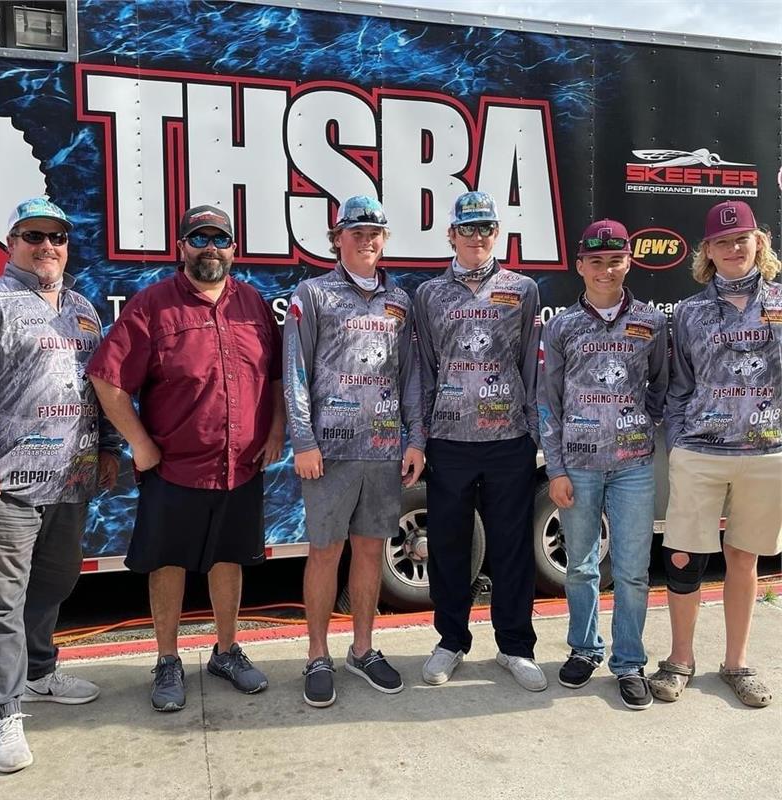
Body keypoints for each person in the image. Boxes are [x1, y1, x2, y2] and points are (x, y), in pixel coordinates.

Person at [88, 205, 285, 712]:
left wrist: (276, 431)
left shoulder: (255, 306)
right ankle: (168, 659)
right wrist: (140, 443)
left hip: (239, 466)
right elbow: (107, 379)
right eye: (199, 238)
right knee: (169, 563)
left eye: (220, 238)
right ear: (182, 248)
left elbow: (281, 376)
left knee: (229, 559)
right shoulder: (153, 305)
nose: (210, 248)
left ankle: (225, 651)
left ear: (233, 249)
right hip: (175, 467)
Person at [0, 197, 121, 773]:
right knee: (1, 602)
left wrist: (110, 448)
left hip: (71, 480)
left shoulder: (83, 308)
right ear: (13, 241)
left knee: (59, 580)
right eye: (34, 236)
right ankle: (1, 712)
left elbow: (99, 386)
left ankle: (39, 672)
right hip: (7, 484)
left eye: (57, 238)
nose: (48, 247)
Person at [283, 195, 425, 708]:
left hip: (384, 450)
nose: (367, 239)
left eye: (375, 232)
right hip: (329, 451)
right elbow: (295, 371)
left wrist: (415, 439)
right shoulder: (312, 293)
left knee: (370, 550)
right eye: (357, 231)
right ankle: (317, 654)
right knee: (325, 552)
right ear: (337, 237)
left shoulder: (399, 301)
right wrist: (303, 441)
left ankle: (362, 649)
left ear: (385, 239)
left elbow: (410, 376)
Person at [648, 200, 781, 708]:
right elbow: (677, 384)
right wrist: (680, 442)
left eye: (740, 239)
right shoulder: (688, 312)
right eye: (721, 242)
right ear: (707, 251)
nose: (732, 249)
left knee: (743, 557)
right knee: (683, 558)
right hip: (701, 450)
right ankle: (680, 659)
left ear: (758, 242)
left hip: (766, 452)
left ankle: (738, 663)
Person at [413, 191, 546, 691]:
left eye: (485, 228)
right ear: (451, 235)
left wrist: (534, 433)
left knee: (512, 548)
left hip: (509, 439)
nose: (477, 238)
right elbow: (424, 370)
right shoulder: (429, 295)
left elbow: (532, 365)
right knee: (448, 547)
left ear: (498, 233)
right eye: (467, 229)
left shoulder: (524, 289)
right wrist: (420, 435)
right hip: (448, 439)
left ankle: (514, 646)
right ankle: (451, 641)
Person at [538, 219, 668, 710]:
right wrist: (556, 468)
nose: (606, 269)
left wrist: (638, 422)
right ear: (580, 266)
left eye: (615, 259)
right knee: (581, 567)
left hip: (634, 464)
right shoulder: (562, 327)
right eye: (596, 261)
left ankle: (629, 662)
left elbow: (661, 386)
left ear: (628, 262)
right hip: (579, 464)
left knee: (633, 571)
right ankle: (584, 649)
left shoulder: (653, 324)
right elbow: (546, 401)